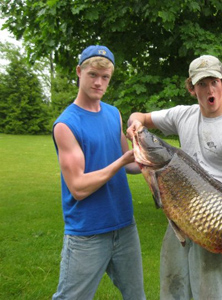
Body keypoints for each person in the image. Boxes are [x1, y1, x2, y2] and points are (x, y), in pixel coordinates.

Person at [126, 55, 222, 300]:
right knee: (172, 287)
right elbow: (140, 116)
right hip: (179, 217)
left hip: (217, 224)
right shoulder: (182, 115)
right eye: (201, 84)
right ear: (191, 88)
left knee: (211, 293)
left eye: (214, 82)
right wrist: (134, 125)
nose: (209, 89)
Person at [52, 45, 146, 300]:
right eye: (93, 75)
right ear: (79, 71)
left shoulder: (113, 114)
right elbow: (78, 187)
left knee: (137, 296)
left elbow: (130, 165)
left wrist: (149, 155)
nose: (99, 82)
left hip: (125, 226)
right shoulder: (66, 124)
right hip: (87, 232)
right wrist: (121, 161)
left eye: (105, 77)